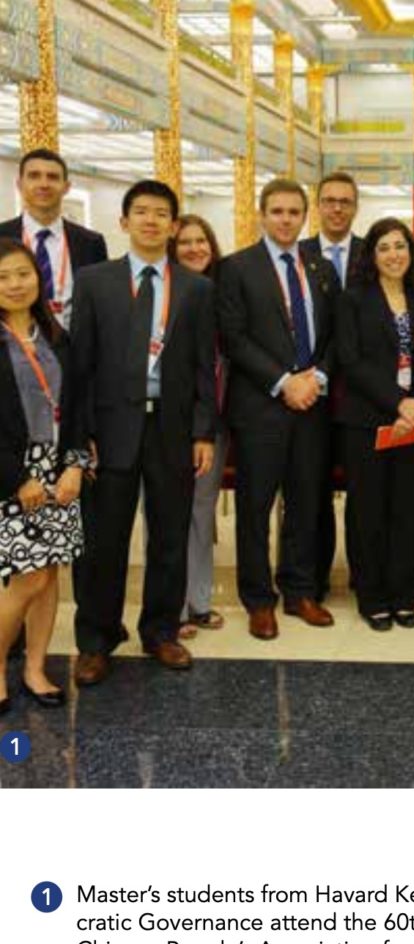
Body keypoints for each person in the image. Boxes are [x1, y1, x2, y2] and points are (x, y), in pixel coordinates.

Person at [72, 180, 217, 685]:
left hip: (171, 430)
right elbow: (81, 364)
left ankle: (160, 631)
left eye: (161, 214)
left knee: (170, 536)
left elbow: (203, 366)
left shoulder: (196, 288)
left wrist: (203, 432)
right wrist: (82, 433)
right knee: (104, 541)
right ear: (124, 221)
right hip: (109, 429)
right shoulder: (94, 282)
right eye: (141, 212)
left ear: (173, 226)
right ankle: (96, 640)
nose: (151, 221)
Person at [218, 178, 339, 641]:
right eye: (277, 211)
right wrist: (284, 382)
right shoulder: (237, 267)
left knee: (306, 503)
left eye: (294, 212)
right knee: (255, 507)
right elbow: (234, 337)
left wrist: (317, 378)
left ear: (305, 217)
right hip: (261, 407)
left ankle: (299, 591)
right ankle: (259, 600)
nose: (286, 219)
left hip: (313, 404)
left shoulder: (320, 267)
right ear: (262, 215)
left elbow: (335, 334)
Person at [0, 239, 87, 713]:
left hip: (58, 469)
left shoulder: (55, 335)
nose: (15, 284)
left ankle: (35, 669)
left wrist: (74, 463)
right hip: (13, 473)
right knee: (27, 579)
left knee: (50, 575)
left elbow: (77, 406)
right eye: (2, 277)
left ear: (38, 278)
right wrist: (18, 478)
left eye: (23, 274)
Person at [336, 218, 414, 630]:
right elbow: (350, 360)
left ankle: (403, 593)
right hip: (367, 420)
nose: (394, 255)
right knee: (368, 509)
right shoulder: (353, 299)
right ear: (372, 255)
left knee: (406, 507)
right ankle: (372, 596)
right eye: (384, 247)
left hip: (413, 421)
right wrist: (398, 402)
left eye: (400, 246)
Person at [300, 172, 364, 601]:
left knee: (364, 492)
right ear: (318, 206)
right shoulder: (298, 253)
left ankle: (365, 573)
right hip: (311, 394)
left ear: (355, 207)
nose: (337, 208)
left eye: (345, 201)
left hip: (364, 395)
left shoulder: (373, 253)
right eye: (329, 201)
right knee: (313, 490)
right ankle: (314, 577)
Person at [168, 214, 227, 639]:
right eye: (185, 242)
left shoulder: (223, 293)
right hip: (167, 422)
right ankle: (171, 607)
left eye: (201, 240)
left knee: (202, 512)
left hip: (213, 421)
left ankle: (200, 601)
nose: (194, 248)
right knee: (166, 513)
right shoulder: (163, 293)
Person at [0, 148, 108, 331]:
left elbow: (100, 303)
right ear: (19, 184)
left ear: (66, 187)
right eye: (34, 176)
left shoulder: (91, 242)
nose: (44, 184)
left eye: (52, 177)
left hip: (76, 342)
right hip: (11, 341)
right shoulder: (2, 236)